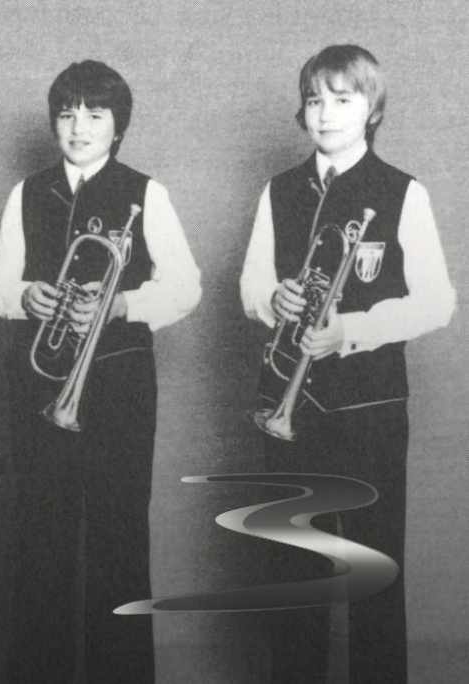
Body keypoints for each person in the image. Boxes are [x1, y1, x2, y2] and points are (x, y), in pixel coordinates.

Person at [240, 45, 455, 684]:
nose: (326, 114)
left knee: (374, 570)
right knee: (290, 571)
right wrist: (269, 298)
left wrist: (352, 331)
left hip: (369, 410)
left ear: (373, 110)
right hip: (288, 406)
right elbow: (251, 284)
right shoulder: (277, 190)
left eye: (343, 100)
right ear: (301, 111)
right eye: (315, 100)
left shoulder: (402, 191)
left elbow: (438, 302)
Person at [0, 60, 201, 683]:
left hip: (120, 385)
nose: (78, 127)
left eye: (94, 114)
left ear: (117, 126)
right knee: (39, 543)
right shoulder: (25, 192)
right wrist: (25, 295)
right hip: (39, 382)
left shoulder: (146, 191)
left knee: (119, 542)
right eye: (67, 113)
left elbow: (186, 285)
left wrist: (125, 304)